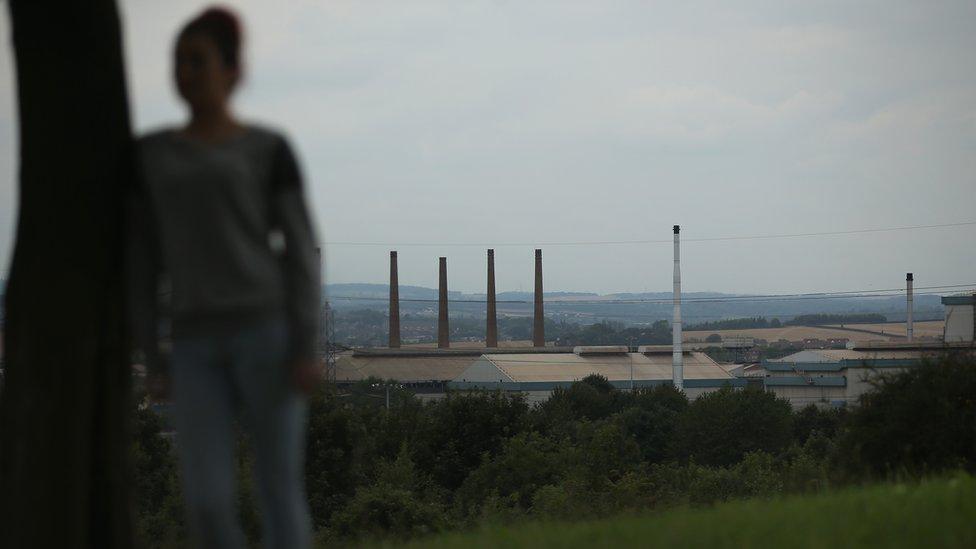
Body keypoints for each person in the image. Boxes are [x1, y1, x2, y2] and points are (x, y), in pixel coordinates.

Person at [127, 7, 318, 548]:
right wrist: (153, 354)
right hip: (193, 343)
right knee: (206, 501)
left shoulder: (267, 150)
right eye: (178, 61)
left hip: (267, 334)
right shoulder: (151, 157)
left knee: (279, 489)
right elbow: (141, 262)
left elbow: (301, 248)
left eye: (198, 60)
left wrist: (305, 343)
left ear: (233, 71)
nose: (185, 72)